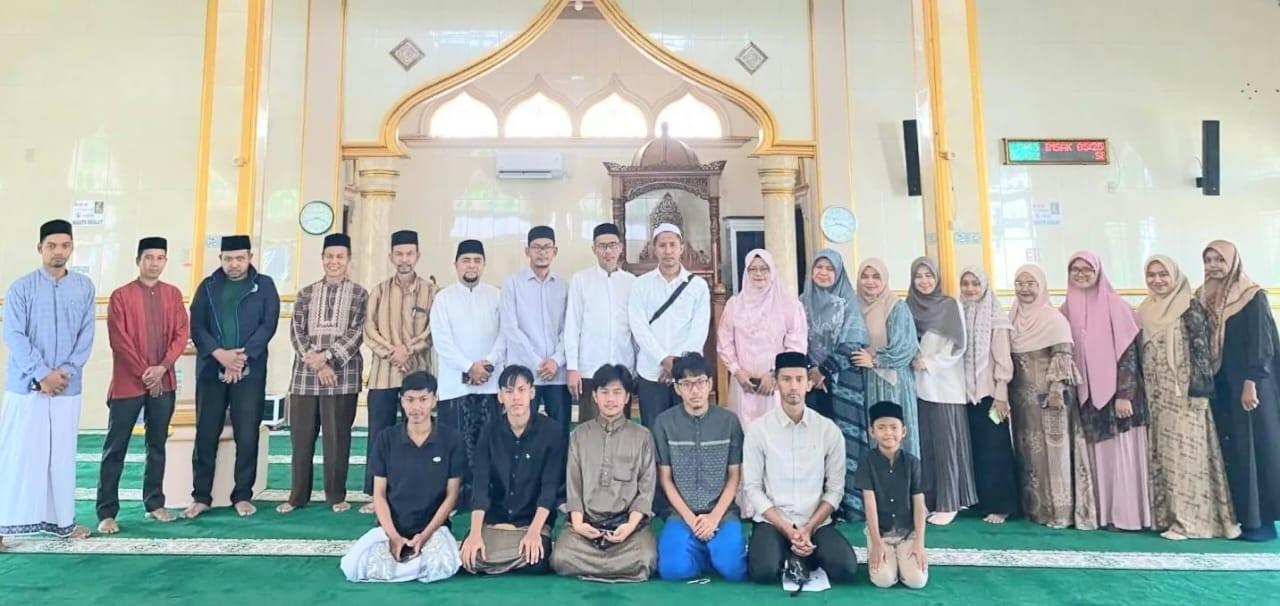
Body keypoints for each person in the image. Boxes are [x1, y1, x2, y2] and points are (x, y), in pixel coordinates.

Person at [0, 219, 96, 550]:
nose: (58, 252)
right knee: (17, 456)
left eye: (65, 245)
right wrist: (42, 374)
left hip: (66, 388)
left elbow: (86, 336)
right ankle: (3, 526)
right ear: (40, 248)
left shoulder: (84, 287)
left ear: (72, 248)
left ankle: (62, 523)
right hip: (26, 388)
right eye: (51, 246)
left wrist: (63, 373)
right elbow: (14, 335)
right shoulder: (21, 288)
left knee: (61, 458)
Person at [1139, 255, 1238, 540]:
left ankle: (1191, 522)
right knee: (1164, 457)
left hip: (1185, 397)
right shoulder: (1145, 309)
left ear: (1175, 276)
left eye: (1163, 274)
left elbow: (1201, 352)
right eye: (1151, 275)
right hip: (1157, 397)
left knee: (1187, 459)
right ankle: (1169, 517)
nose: (1157, 280)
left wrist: (1201, 392)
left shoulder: (1188, 306)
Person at [97, 237, 190, 534]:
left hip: (164, 382)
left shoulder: (173, 295)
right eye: (149, 257)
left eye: (160, 258)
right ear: (138, 260)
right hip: (128, 384)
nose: (154, 263)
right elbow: (119, 340)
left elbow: (181, 335)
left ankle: (154, 504)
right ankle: (107, 512)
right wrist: (146, 373)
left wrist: (162, 368)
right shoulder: (121, 296)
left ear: (165, 261)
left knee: (157, 444)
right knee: (116, 447)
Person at [185, 235, 281, 519]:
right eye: (228, 259)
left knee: (247, 434)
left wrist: (240, 358)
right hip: (211, 371)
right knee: (206, 433)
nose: (234, 264)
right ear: (221, 260)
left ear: (250, 257)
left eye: (240, 258)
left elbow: (268, 325)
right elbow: (197, 326)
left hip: (249, 372)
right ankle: (201, 496)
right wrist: (220, 354)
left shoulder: (264, 286)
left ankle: (242, 495)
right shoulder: (208, 286)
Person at [743, 352, 858, 585]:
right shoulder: (758, 430)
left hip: (814, 521)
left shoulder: (828, 430)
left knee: (845, 569)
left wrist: (808, 528)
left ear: (808, 383)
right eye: (786, 379)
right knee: (764, 571)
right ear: (776, 383)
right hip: (774, 522)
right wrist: (787, 529)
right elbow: (753, 488)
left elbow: (835, 489)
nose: (793, 386)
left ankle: (801, 551)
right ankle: (790, 551)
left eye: (799, 379)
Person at [339, 372, 463, 583]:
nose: (416, 407)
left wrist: (424, 536)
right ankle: (406, 563)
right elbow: (379, 494)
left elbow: (452, 496)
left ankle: (409, 564)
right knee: (355, 567)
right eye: (410, 400)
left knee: (443, 564)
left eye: (423, 399)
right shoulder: (386, 439)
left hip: (433, 530)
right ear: (402, 401)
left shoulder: (451, 439)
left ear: (434, 399)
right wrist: (394, 537)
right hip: (390, 529)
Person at [279, 233, 368, 514]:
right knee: (301, 441)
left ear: (348, 260)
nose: (334, 261)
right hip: (305, 379)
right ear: (322, 259)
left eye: (340, 257)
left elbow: (357, 333)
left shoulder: (360, 294)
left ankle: (336, 496)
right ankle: (297, 496)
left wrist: (328, 358)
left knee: (337, 440)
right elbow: (296, 331)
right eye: (329, 256)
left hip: (342, 379)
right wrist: (317, 362)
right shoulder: (305, 293)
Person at [1198, 240, 1280, 542]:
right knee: (1232, 449)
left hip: (1252, 385)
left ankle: (1261, 523)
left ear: (1233, 261)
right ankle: (1238, 517)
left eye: (1219, 259)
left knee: (1255, 448)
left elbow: (1262, 343)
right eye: (1208, 260)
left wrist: (1251, 382)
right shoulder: (1204, 296)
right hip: (1222, 384)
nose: (1213, 265)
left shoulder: (1251, 296)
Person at [1063, 251, 1150, 531]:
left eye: (1087, 269)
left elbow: (1129, 354)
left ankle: (1126, 516)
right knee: (1096, 456)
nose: (1081, 274)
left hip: (1118, 397)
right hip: (1085, 396)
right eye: (1075, 269)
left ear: (1098, 271)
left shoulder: (1115, 304)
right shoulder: (1067, 308)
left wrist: (1125, 395)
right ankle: (1101, 514)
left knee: (1120, 456)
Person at [1007, 264, 1097, 530]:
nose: (1024, 289)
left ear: (1042, 286)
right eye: (1019, 283)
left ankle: (1059, 513)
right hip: (1021, 402)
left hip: (1049, 400)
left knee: (1054, 454)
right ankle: (1035, 510)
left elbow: (1063, 356)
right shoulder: (1013, 316)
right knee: (1029, 454)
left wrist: (1056, 390)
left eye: (1030, 283)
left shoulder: (1053, 319)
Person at [550, 364, 658, 582]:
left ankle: (597, 565)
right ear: (594, 396)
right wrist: (579, 524)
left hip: (627, 526)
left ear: (627, 398)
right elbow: (573, 485)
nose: (610, 399)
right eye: (604, 392)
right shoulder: (579, 435)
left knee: (645, 559)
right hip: (587, 524)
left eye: (617, 392)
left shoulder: (642, 436)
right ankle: (615, 567)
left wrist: (630, 526)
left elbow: (646, 490)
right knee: (560, 557)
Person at [651, 352, 748, 582]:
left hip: (721, 512)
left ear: (710, 384)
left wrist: (713, 518)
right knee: (673, 570)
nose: (694, 390)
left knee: (734, 570)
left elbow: (734, 475)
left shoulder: (729, 421)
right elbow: (665, 478)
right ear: (677, 388)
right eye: (686, 384)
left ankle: (709, 548)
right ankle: (704, 550)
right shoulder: (664, 423)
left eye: (700, 382)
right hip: (680, 513)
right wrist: (691, 519)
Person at [460, 365, 565, 575]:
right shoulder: (489, 432)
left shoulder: (552, 432)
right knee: (468, 558)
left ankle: (501, 559)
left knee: (537, 561)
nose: (516, 397)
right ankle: (505, 556)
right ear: (500, 396)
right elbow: (480, 486)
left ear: (532, 393)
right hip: (495, 521)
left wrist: (534, 533)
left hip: (531, 521)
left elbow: (549, 488)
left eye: (521, 390)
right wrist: (475, 534)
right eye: (509, 391)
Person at [361, 229, 437, 514]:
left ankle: (417, 491)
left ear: (418, 255)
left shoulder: (431, 292)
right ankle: (376, 494)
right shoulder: (379, 291)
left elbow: (434, 330)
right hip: (384, 375)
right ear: (391, 256)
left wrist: (409, 349)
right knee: (379, 435)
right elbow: (369, 330)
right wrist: (393, 352)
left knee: (419, 435)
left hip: (418, 375)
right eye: (399, 254)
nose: (404, 259)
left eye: (409, 254)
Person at [430, 239, 504, 508]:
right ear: (456, 265)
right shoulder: (443, 298)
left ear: (483, 264)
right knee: (456, 445)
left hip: (490, 384)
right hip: (455, 386)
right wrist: (468, 367)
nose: (471, 265)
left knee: (488, 444)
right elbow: (442, 341)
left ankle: (486, 499)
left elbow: (504, 335)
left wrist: (487, 364)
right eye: (466, 260)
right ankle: (455, 501)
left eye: (476, 260)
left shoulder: (496, 296)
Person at [801, 248, 870, 521]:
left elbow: (853, 344)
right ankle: (817, 507)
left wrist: (823, 371)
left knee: (845, 444)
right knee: (814, 445)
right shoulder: (802, 303)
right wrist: (810, 372)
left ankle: (850, 507)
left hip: (844, 384)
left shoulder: (848, 303)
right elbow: (795, 340)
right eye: (819, 267)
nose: (823, 273)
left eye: (830, 269)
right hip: (811, 385)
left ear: (839, 273)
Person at [906, 257, 974, 526]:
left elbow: (958, 346)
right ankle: (931, 500)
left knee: (947, 447)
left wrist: (930, 363)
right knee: (926, 447)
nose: (924, 281)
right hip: (919, 388)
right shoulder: (908, 306)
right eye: (918, 276)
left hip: (945, 387)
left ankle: (950, 502)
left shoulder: (949, 305)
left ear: (937, 278)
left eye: (929, 276)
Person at [629, 223, 711, 429]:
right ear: (654, 249)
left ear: (681, 248)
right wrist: (664, 360)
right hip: (651, 372)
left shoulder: (698, 286)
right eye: (662, 245)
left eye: (672, 245)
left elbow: (699, 329)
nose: (668, 251)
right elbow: (639, 327)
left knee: (686, 430)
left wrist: (678, 365)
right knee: (654, 430)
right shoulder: (641, 284)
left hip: (687, 376)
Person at [717, 249, 807, 429]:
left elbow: (796, 345)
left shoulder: (789, 305)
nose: (758, 274)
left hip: (775, 384)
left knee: (777, 431)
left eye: (764, 269)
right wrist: (736, 370)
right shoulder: (735, 305)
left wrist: (775, 372)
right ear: (746, 272)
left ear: (772, 271)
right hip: (744, 384)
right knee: (745, 433)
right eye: (753, 269)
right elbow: (724, 341)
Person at [958, 266, 1019, 524]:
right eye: (966, 283)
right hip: (965, 395)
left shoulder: (996, 318)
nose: (970, 289)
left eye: (975, 284)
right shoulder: (959, 313)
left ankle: (1001, 506)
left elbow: (1003, 360)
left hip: (991, 397)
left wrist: (1001, 394)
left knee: (995, 448)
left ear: (985, 286)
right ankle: (982, 501)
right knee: (976, 449)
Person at [501, 226, 571, 440]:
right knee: (522, 432)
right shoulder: (512, 284)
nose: (542, 252)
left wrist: (556, 361)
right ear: (527, 251)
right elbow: (511, 329)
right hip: (524, 373)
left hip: (557, 375)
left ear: (555, 251)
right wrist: (538, 363)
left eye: (547, 247)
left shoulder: (564, 286)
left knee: (560, 434)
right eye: (536, 247)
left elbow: (569, 328)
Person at [565, 222, 636, 422]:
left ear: (620, 247)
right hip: (590, 369)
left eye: (612, 245)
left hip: (623, 367)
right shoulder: (581, 280)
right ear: (594, 249)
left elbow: (636, 329)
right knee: (590, 427)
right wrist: (572, 367)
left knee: (621, 428)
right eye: (602, 246)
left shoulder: (632, 282)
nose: (608, 251)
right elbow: (572, 325)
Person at [857, 401, 928, 589]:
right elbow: (869, 503)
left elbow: (919, 504)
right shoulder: (867, 461)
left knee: (916, 581)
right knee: (884, 580)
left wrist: (919, 542)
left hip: (907, 533)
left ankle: (901, 558)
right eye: (881, 428)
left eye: (893, 427)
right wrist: (876, 543)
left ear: (903, 431)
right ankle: (887, 557)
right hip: (881, 533)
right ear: (872, 432)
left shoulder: (912, 463)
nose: (888, 433)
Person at [853, 258, 920, 456]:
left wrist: (875, 360)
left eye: (876, 276)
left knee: (894, 434)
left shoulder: (896, 307)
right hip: (866, 381)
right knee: (874, 435)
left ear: (885, 279)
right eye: (865, 276)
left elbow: (906, 348)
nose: (870, 281)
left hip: (893, 383)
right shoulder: (853, 307)